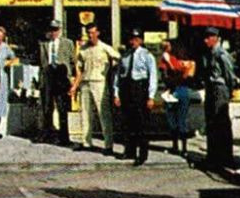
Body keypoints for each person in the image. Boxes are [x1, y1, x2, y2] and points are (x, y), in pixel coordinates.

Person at [70, 23, 118, 154]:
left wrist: (111, 73)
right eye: (89, 33)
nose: (91, 35)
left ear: (98, 33)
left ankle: (108, 145)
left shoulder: (105, 48)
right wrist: (75, 86)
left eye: (93, 32)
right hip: (85, 82)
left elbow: (118, 60)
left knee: (103, 114)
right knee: (85, 113)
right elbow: (79, 69)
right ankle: (86, 142)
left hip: (99, 83)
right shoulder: (83, 49)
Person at [113, 29, 158, 165]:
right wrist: (116, 94)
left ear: (141, 41)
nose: (133, 42)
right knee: (128, 122)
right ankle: (129, 151)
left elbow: (153, 76)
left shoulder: (147, 55)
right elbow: (118, 76)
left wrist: (151, 96)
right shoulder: (125, 56)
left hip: (140, 89)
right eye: (132, 39)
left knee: (141, 124)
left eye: (137, 39)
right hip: (127, 90)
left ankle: (142, 154)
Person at [197, 27, 239, 170]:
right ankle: (213, 156)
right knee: (211, 123)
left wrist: (230, 90)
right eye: (205, 37)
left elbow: (229, 74)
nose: (205, 40)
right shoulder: (208, 54)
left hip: (220, 89)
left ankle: (225, 157)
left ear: (215, 38)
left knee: (221, 122)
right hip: (210, 88)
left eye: (209, 37)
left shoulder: (221, 54)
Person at [36, 20, 74, 146]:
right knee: (47, 107)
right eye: (52, 30)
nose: (54, 32)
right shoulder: (43, 44)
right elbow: (41, 62)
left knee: (62, 108)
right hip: (48, 76)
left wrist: (72, 80)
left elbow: (72, 62)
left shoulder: (68, 43)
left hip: (61, 77)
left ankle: (64, 137)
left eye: (56, 30)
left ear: (60, 30)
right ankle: (47, 134)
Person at [158, 39, 194, 156]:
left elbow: (165, 76)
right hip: (182, 88)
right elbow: (188, 76)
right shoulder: (186, 62)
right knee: (181, 119)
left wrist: (170, 66)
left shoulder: (167, 60)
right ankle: (183, 148)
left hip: (173, 90)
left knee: (173, 119)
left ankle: (176, 146)